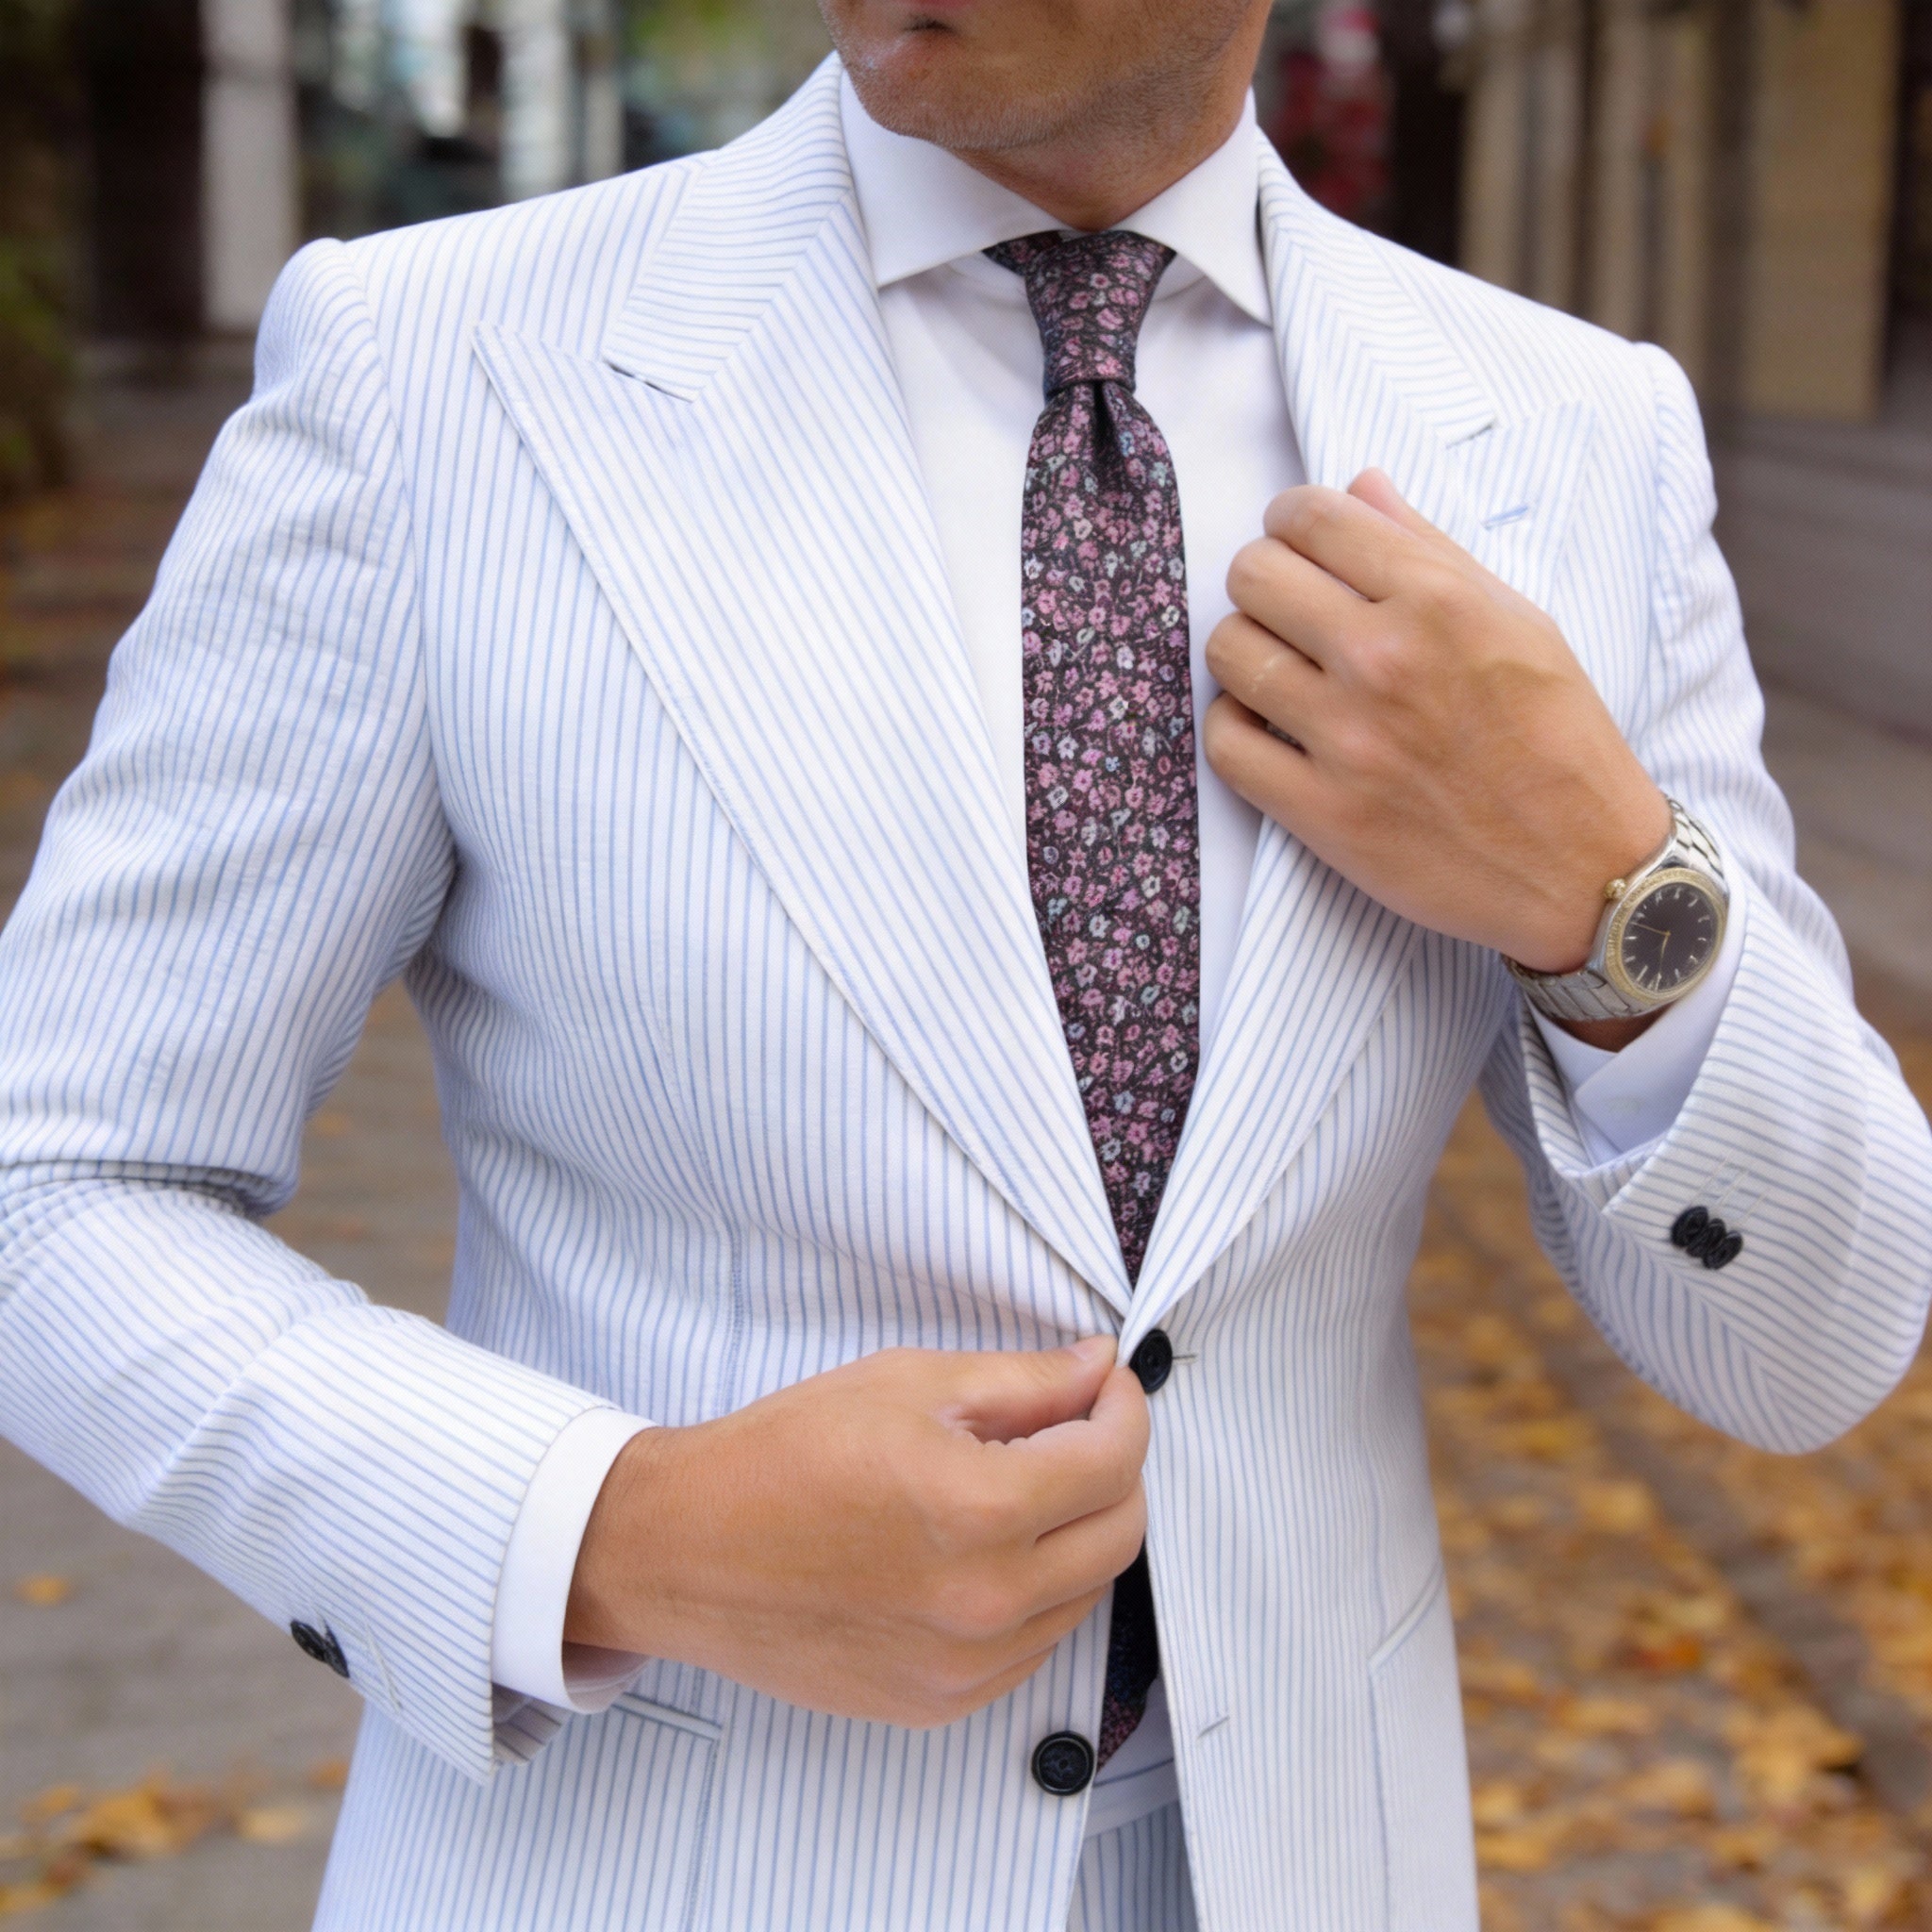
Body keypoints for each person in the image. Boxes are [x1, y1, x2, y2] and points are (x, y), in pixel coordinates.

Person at [1, 0, 1927, 1925]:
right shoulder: (437, 370)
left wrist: (1608, 890)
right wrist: (609, 1533)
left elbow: (1809, 1345)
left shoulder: (1573, 434)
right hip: (660, 1865)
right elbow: (55, 1184)